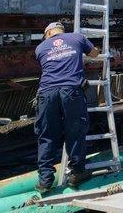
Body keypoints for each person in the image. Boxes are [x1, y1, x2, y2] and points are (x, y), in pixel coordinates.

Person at [34, 22, 99, 192]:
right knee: (75, 131)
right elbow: (94, 53)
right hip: (71, 91)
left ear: (47, 34)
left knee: (47, 134)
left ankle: (45, 180)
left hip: (47, 93)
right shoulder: (77, 37)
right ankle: (77, 172)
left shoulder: (40, 48)